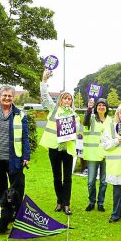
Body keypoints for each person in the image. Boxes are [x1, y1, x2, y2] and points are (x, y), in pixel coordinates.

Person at [0, 85, 30, 212]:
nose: (7, 98)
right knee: (0, 187)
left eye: (10, 96)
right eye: (5, 95)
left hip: (14, 158)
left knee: (17, 187)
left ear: (13, 98)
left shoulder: (20, 114)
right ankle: (4, 211)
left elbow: (25, 137)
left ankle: (17, 212)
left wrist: (26, 156)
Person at [39, 69, 80, 215]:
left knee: (67, 177)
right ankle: (59, 202)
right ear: (60, 100)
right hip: (54, 148)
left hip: (67, 149)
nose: (67, 101)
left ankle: (67, 203)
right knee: (57, 176)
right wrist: (44, 81)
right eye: (65, 98)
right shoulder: (54, 109)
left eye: (69, 98)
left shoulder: (75, 115)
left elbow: (77, 132)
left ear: (72, 101)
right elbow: (45, 97)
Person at [83, 98, 112, 212]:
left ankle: (101, 203)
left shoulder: (110, 120)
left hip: (106, 154)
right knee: (91, 181)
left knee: (104, 181)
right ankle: (91, 202)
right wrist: (89, 108)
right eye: (99, 105)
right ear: (96, 107)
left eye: (103, 105)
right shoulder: (91, 117)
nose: (101, 107)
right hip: (93, 154)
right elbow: (85, 122)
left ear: (106, 107)